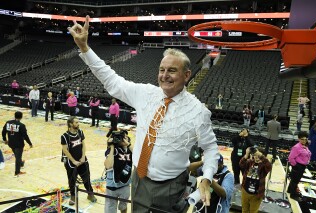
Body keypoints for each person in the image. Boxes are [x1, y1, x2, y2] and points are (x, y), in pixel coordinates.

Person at [68, 16, 219, 212]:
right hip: (138, 179)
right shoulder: (146, 93)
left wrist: (206, 178)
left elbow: (211, 149)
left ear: (187, 75)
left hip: (171, 186)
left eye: (172, 70)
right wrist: (85, 49)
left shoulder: (198, 112)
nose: (164, 76)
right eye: (162, 69)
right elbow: (112, 81)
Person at [61, 116, 97, 205]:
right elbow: (65, 150)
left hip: (82, 160)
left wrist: (83, 156)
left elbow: (83, 145)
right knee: (72, 180)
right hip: (71, 162)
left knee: (87, 178)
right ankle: (73, 196)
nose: (78, 124)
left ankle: (90, 194)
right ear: (70, 124)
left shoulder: (80, 132)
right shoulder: (64, 136)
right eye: (76, 122)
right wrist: (73, 161)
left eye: (78, 122)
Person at [104, 130, 133, 213]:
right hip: (112, 185)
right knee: (110, 210)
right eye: (122, 138)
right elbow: (108, 165)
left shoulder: (129, 150)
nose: (124, 139)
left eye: (125, 137)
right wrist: (112, 147)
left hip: (125, 184)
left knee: (123, 207)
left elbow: (139, 157)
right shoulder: (114, 150)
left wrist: (128, 144)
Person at [240, 147, 272, 213]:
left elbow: (269, 166)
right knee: (244, 210)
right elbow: (241, 164)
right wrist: (246, 155)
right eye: (255, 155)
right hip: (245, 191)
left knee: (253, 211)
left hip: (256, 194)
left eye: (258, 156)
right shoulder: (250, 162)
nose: (256, 157)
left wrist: (261, 156)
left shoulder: (263, 166)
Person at [2, 111, 33, 176]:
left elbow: (3, 131)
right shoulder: (21, 125)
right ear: (21, 117)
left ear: (14, 116)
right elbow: (25, 136)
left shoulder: (8, 122)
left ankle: (21, 163)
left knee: (17, 154)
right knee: (18, 157)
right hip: (18, 144)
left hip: (11, 143)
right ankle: (17, 172)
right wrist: (30, 143)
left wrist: (5, 139)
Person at [287, 131, 311, 201]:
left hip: (302, 165)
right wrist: (295, 166)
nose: (304, 141)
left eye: (305, 139)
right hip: (298, 166)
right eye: (302, 139)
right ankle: (293, 195)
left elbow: (308, 154)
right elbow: (291, 158)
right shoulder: (296, 147)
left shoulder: (305, 146)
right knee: (295, 181)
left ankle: (289, 190)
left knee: (294, 180)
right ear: (299, 139)